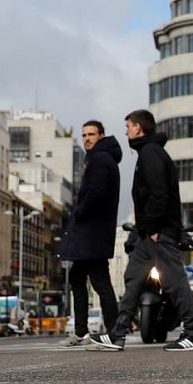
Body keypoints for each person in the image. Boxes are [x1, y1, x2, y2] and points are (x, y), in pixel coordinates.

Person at [88, 109, 193, 352]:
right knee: (133, 281)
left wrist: (153, 227)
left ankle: (192, 334)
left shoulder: (151, 154)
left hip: (158, 232)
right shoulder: (147, 153)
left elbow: (159, 195)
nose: (126, 131)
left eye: (128, 126)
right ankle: (117, 335)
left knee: (174, 282)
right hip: (146, 235)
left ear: (138, 128)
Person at [56, 121, 120, 350]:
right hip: (92, 232)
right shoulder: (100, 158)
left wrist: (80, 213)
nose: (86, 139)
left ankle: (114, 334)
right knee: (77, 278)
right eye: (84, 135)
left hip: (92, 232)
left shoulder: (100, 159)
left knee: (100, 281)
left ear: (101, 136)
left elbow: (96, 193)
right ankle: (82, 331)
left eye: (91, 134)